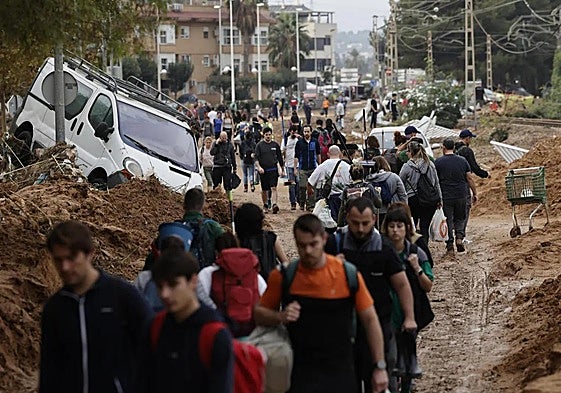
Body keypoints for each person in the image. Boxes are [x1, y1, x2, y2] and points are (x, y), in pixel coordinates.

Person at [254, 214, 389, 393]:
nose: (308, 251)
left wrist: (379, 367)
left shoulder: (346, 275)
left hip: (342, 370)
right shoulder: (284, 276)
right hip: (300, 371)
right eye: (302, 246)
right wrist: (280, 316)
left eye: (313, 244)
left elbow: (370, 320)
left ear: (324, 239)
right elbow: (259, 314)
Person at [40, 220, 152, 393]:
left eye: (71, 258)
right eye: (58, 260)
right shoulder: (55, 309)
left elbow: (154, 347)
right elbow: (50, 369)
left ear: (90, 254)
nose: (65, 267)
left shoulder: (122, 296)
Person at [324, 197, 417, 393]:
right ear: (346, 218)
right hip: (343, 323)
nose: (360, 228)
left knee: (383, 374)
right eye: (355, 223)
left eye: (365, 223)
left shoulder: (383, 247)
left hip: (379, 319)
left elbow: (401, 284)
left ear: (374, 219)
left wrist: (409, 317)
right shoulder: (335, 244)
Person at [135, 246, 234, 393]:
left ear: (193, 281)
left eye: (173, 285)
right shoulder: (155, 327)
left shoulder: (215, 335)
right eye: (160, 286)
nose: (165, 294)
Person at [380, 205, 434, 393]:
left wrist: (417, 268)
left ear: (406, 228)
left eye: (399, 226)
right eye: (392, 226)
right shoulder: (379, 251)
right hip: (386, 314)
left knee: (405, 357)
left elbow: (428, 285)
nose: (395, 231)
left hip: (408, 313)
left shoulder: (415, 252)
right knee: (391, 357)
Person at [144, 188, 225, 271]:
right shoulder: (212, 227)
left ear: (184, 205)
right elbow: (227, 251)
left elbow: (155, 256)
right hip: (206, 279)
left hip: (178, 280)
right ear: (203, 206)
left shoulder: (172, 230)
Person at [434, 138, 477, 253]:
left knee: (448, 219)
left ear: (443, 148)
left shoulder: (438, 162)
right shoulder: (462, 161)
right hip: (461, 194)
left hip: (446, 196)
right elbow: (469, 178)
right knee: (460, 217)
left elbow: (435, 181)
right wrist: (474, 193)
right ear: (453, 148)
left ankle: (449, 244)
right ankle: (459, 238)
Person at [399, 140, 441, 242]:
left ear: (411, 152)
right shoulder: (430, 164)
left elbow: (400, 183)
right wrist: (440, 199)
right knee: (425, 226)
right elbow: (436, 183)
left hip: (413, 200)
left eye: (407, 151)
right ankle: (425, 248)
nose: (406, 153)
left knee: (413, 226)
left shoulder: (407, 167)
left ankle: (416, 248)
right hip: (429, 199)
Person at [234, 203, 289, 280]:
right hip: (270, 283)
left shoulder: (237, 240)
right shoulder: (271, 238)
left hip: (247, 285)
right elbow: (286, 264)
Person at [455, 129, 489, 240]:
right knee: (465, 209)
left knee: (454, 212)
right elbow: (474, 168)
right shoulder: (467, 151)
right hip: (463, 184)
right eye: (470, 138)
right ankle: (461, 236)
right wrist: (485, 174)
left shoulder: (454, 149)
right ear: (467, 138)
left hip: (451, 185)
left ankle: (453, 236)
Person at [308, 145, 351, 221]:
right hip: (344, 197)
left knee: (331, 221)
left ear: (328, 154)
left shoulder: (323, 165)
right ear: (340, 153)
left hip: (329, 198)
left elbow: (311, 181)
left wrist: (310, 190)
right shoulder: (347, 166)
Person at [366, 156, 408, 226]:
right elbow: (403, 195)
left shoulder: (368, 180)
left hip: (374, 211)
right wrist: (405, 210)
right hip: (391, 210)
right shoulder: (394, 177)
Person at [255, 127, 285, 214]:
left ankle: (274, 204)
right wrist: (259, 167)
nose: (268, 136)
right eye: (266, 135)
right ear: (263, 135)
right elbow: (256, 158)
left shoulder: (275, 145)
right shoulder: (259, 145)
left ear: (271, 135)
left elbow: (280, 158)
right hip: (263, 171)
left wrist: (282, 169)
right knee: (264, 189)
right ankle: (265, 205)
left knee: (273, 188)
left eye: (269, 134)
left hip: (273, 170)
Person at [294, 124, 321, 211]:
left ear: (311, 132)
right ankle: (302, 202)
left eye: (308, 131)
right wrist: (295, 168)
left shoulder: (315, 142)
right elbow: (296, 156)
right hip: (302, 168)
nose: (306, 133)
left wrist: (319, 166)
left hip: (313, 168)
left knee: (312, 188)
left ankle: (310, 205)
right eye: (305, 131)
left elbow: (318, 154)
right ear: (303, 132)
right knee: (302, 187)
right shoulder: (299, 143)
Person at [281, 125, 300, 210]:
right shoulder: (285, 140)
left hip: (298, 164)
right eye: (291, 130)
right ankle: (293, 202)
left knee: (298, 183)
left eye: (294, 131)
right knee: (291, 184)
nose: (293, 132)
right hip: (288, 165)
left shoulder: (298, 140)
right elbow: (282, 151)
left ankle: (297, 198)